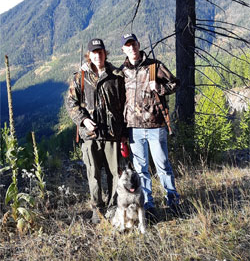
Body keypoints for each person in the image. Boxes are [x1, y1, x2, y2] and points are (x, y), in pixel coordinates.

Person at [120, 33, 180, 222]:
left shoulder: (154, 67)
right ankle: (148, 205)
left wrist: (160, 88)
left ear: (138, 45)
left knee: (162, 165)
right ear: (124, 49)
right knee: (141, 169)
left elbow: (175, 83)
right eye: (128, 46)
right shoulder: (122, 71)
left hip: (156, 126)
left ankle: (173, 201)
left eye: (134, 44)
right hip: (133, 129)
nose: (132, 48)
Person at [66, 38, 126, 224]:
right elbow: (70, 103)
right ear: (89, 56)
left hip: (112, 133)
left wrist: (124, 132)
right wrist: (83, 120)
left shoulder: (116, 76)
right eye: (94, 53)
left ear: (104, 53)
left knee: (115, 173)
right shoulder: (80, 77)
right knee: (93, 174)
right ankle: (97, 210)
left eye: (100, 52)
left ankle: (114, 207)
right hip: (90, 136)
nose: (98, 55)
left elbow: (124, 104)